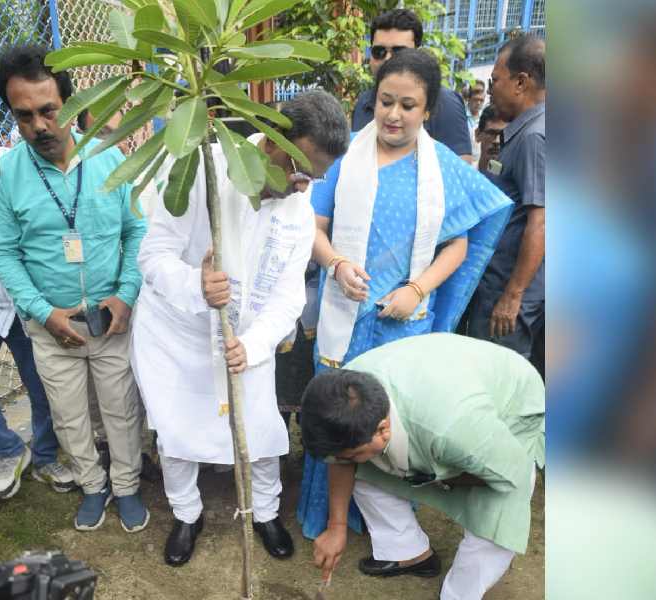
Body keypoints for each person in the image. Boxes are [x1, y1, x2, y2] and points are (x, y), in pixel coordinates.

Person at [297, 49, 514, 540]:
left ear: (428, 110)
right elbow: (313, 225)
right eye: (385, 101)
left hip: (405, 322)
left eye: (408, 105)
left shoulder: (443, 167)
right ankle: (330, 517)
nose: (393, 114)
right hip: (344, 315)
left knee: (392, 422)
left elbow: (459, 245)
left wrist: (416, 289)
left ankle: (386, 525)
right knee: (337, 413)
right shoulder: (345, 155)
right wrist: (336, 264)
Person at [130, 90, 350, 567]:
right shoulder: (201, 170)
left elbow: (289, 295)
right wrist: (195, 284)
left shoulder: (298, 208)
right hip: (178, 335)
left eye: (315, 177)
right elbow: (153, 255)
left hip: (246, 340)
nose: (303, 186)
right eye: (299, 170)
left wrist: (253, 344)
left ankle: (264, 511)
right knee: (176, 429)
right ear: (271, 143)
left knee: (261, 428)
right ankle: (187, 514)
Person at [0, 45, 149, 533]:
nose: (38, 126)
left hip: (111, 318)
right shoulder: (5, 177)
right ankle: (93, 485)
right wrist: (43, 312)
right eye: (24, 116)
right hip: (51, 327)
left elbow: (136, 231)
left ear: (70, 105)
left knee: (121, 410)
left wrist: (126, 294)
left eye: (48, 110)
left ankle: (127, 485)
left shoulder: (109, 158)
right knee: (69, 417)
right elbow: (4, 253)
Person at [303, 333, 544, 600]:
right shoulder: (342, 400)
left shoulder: (454, 430)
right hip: (445, 381)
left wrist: (440, 478)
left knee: (495, 527)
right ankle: (407, 551)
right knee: (362, 469)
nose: (342, 461)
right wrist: (336, 526)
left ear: (382, 429)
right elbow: (340, 459)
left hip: (512, 405)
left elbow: (513, 473)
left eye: (348, 456)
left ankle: (458, 595)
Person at [0, 101, 75, 500]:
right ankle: (9, 450)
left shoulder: (14, 166)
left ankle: (45, 456)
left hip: (28, 294)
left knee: (42, 381)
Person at [466, 35, 545, 368]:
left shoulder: (534, 137)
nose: (491, 90)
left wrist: (512, 296)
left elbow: (542, 220)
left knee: (498, 379)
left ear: (520, 82)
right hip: (498, 286)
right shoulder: (524, 132)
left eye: (494, 81)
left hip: (508, 297)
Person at [352, 9, 473, 163]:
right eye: (379, 51)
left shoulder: (444, 102)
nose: (388, 59)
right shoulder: (364, 102)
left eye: (399, 52)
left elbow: (459, 168)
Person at [475, 104, 507, 174]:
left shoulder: (515, 179)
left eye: (503, 135)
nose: (497, 141)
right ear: (478, 134)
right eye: (491, 133)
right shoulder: (463, 173)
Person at [465, 81, 486, 165]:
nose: (478, 103)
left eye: (481, 100)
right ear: (469, 98)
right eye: (476, 100)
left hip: (479, 162)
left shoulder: (485, 117)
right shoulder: (461, 115)